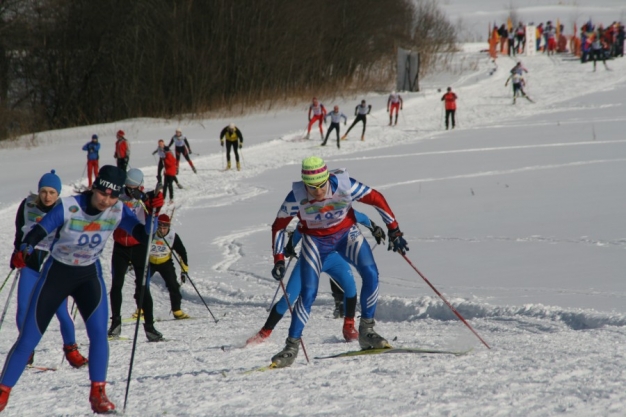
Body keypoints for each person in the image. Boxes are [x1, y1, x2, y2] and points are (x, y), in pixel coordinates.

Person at [0, 165, 157, 414]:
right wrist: (24, 248)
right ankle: (3, 392)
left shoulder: (118, 209)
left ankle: (98, 392)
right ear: (95, 187)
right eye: (103, 193)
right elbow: (39, 230)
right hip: (57, 274)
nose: (106, 200)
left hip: (88, 276)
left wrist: (153, 212)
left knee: (98, 335)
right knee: (29, 338)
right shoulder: (68, 206)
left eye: (113, 196)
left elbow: (145, 234)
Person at [268, 156, 409, 368]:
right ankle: (291, 346)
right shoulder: (296, 197)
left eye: (321, 185)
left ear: (328, 177)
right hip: (316, 242)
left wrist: (394, 230)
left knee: (370, 273)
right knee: (308, 293)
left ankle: (367, 332)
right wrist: (279, 258)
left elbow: (377, 198)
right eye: (311, 187)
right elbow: (279, 226)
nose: (317, 191)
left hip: (346, 235)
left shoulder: (345, 185)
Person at [247, 210, 386, 345]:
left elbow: (360, 217)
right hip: (309, 259)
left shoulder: (341, 210)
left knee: (351, 289)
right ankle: (264, 333)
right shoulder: (309, 215)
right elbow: (298, 231)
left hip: (335, 259)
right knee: (288, 299)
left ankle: (349, 327)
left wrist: (375, 228)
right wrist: (290, 247)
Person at [10, 170, 88, 369]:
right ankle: (26, 349)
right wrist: (16, 252)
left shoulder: (64, 209)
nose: (47, 196)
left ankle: (72, 350)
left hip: (55, 266)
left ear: (58, 193)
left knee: (61, 312)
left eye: (52, 192)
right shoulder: (27, 205)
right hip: (31, 264)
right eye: (44, 191)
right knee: (23, 310)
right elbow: (20, 231)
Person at [107, 168, 165, 342]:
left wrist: (153, 208)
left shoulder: (145, 198)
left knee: (142, 287)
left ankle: (149, 327)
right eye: (128, 187)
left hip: (139, 246)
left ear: (141, 186)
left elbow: (151, 227)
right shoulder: (118, 197)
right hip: (120, 246)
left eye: (135, 187)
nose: (131, 191)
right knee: (116, 284)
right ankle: (116, 323)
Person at [148, 214, 190, 319]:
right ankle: (141, 310)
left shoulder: (173, 236)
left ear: (168, 227)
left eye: (164, 228)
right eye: (160, 227)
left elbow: (182, 252)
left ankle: (177, 310)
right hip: (150, 262)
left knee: (174, 286)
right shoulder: (150, 233)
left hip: (165, 262)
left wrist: (184, 270)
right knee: (142, 285)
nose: (162, 230)